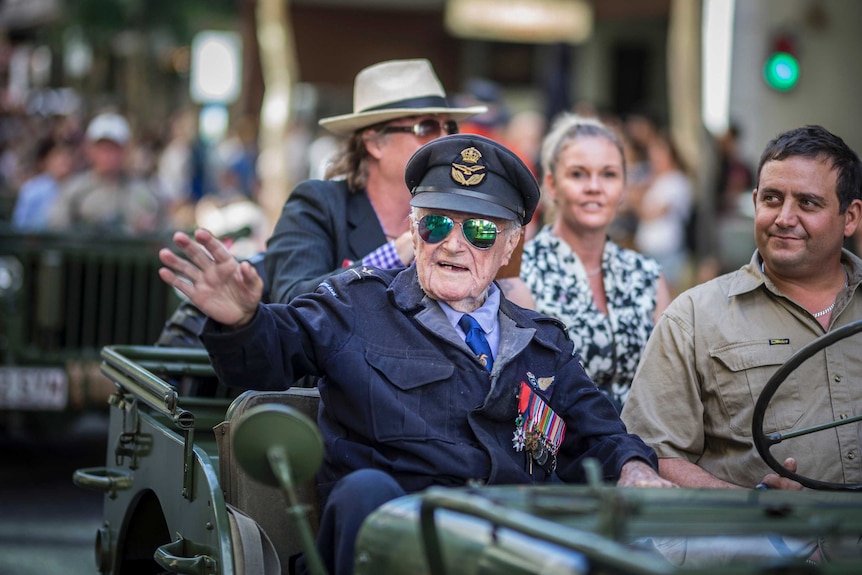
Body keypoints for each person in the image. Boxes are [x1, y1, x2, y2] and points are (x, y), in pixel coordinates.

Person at [159, 133, 675, 575]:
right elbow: (270, 354)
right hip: (399, 542)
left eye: (478, 230)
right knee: (363, 491)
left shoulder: (542, 341)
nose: (452, 245)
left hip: (515, 545)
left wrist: (634, 468)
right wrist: (243, 320)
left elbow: (601, 432)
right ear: (413, 228)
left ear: (510, 244)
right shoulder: (355, 304)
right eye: (436, 225)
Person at [621, 124, 862, 491]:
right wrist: (754, 509)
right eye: (771, 199)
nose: (784, 217)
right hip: (753, 546)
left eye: (808, 203)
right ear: (754, 203)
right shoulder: (694, 317)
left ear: (851, 217)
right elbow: (650, 454)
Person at [263, 58, 486, 304]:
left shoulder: (463, 208)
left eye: (450, 127)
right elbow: (291, 300)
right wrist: (400, 250)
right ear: (375, 143)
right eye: (427, 127)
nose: (445, 139)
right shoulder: (319, 203)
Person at [521, 114, 671, 410]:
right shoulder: (522, 272)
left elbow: (667, 383)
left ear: (624, 188)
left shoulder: (646, 275)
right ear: (551, 185)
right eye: (578, 174)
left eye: (609, 174)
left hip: (642, 444)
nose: (594, 186)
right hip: (562, 448)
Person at [47, 112, 165, 234]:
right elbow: (57, 230)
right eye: (102, 148)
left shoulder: (146, 190)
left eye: (114, 148)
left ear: (126, 150)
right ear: (89, 149)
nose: (108, 155)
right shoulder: (73, 190)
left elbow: (163, 229)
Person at [633, 130, 694, 295]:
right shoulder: (653, 181)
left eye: (659, 154)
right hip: (648, 250)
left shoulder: (677, 181)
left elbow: (653, 212)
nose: (655, 159)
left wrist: (638, 198)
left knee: (666, 299)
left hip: (667, 251)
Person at [11, 137, 74, 230]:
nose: (63, 159)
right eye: (57, 155)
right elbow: (20, 227)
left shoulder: (77, 185)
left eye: (67, 154)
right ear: (46, 160)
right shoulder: (32, 190)